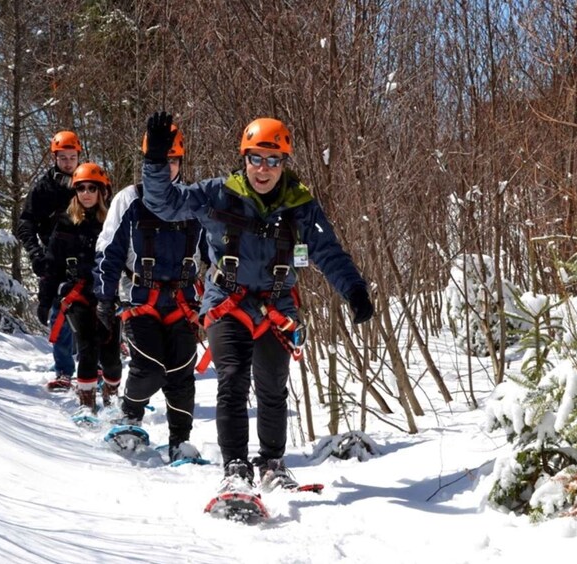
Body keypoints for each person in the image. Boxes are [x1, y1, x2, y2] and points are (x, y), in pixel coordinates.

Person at [140, 111, 374, 493]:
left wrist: (354, 290)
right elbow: (164, 204)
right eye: (256, 159)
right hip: (226, 302)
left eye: (273, 160)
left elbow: (328, 251)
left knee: (272, 386)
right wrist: (155, 161)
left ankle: (272, 463)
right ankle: (234, 467)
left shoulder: (301, 207)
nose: (263, 170)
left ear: (283, 164)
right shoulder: (217, 194)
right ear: (243, 159)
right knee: (232, 379)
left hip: (276, 306)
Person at [94, 124, 208, 462]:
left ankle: (179, 440)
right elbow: (109, 249)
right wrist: (104, 296)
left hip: (183, 301)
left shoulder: (194, 200)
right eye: (161, 160)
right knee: (151, 367)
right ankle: (129, 414)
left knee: (182, 373)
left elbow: (216, 252)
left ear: (181, 162)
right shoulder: (129, 199)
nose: (168, 166)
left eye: (174, 160)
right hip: (140, 298)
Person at [39, 163, 122, 413]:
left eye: (91, 188)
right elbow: (52, 267)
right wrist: (45, 301)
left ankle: (111, 400)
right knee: (87, 346)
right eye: (81, 188)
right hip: (77, 295)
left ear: (101, 192)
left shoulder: (113, 224)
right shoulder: (64, 225)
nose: (86, 193)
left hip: (108, 296)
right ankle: (87, 405)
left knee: (110, 354)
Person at [17, 130, 81, 389]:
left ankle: (96, 368)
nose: (68, 162)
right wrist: (36, 253)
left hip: (87, 257)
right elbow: (25, 223)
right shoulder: (44, 188)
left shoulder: (87, 181)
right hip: (56, 260)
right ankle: (64, 370)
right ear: (55, 158)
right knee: (60, 316)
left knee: (91, 316)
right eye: (63, 157)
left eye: (72, 157)